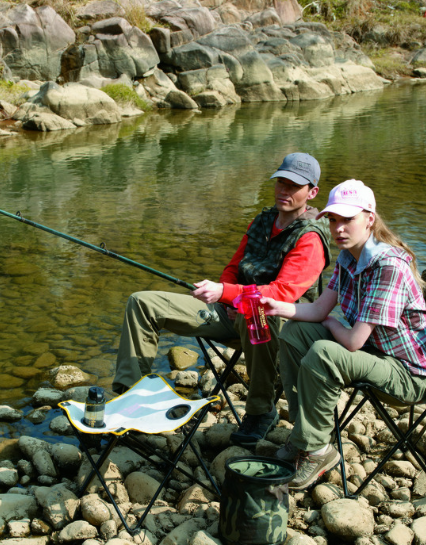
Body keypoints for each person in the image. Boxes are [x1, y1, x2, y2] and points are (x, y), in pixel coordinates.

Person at [112, 153, 331, 447]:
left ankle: (261, 411)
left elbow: (283, 293)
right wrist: (227, 298)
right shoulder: (262, 220)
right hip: (231, 311)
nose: (284, 190)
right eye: (281, 182)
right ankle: (131, 396)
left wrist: (228, 296)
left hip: (278, 326)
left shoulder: (311, 238)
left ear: (312, 192)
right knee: (142, 303)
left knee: (255, 315)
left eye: (294, 186)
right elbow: (233, 268)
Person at [261, 179, 426, 491]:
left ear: (369, 218)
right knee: (294, 332)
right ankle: (304, 435)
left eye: (347, 219)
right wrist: (277, 307)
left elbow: (353, 341)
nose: (338, 228)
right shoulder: (349, 257)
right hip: (375, 353)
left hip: (408, 374)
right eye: (333, 220)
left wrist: (332, 324)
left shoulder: (388, 266)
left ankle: (318, 450)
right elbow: (318, 309)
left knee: (324, 353)